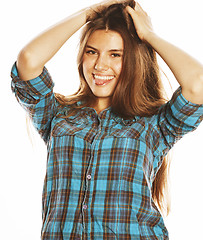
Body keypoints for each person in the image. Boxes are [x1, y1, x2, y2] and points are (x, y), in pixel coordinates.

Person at [11, 0, 203, 239]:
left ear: (133, 61)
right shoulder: (58, 115)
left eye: (116, 55)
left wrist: (148, 35)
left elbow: (198, 83)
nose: (100, 65)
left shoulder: (153, 124)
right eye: (92, 52)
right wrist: (89, 14)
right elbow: (28, 60)